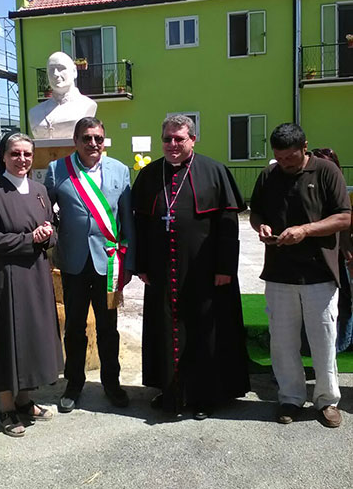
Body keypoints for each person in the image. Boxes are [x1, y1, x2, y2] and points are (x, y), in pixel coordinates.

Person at [132, 114, 249, 420]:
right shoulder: (149, 175)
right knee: (166, 329)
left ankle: (204, 396)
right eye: (167, 139)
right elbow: (141, 223)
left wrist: (226, 267)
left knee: (203, 331)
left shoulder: (213, 171)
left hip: (205, 270)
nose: (172, 145)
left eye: (179, 139)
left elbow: (227, 225)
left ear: (192, 140)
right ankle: (171, 391)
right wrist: (141, 264)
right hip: (161, 270)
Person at [250, 124, 351, 428]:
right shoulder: (269, 175)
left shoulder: (326, 172)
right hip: (280, 274)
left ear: (305, 147)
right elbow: (256, 212)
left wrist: (306, 230)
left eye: (291, 160)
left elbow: (344, 216)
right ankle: (290, 397)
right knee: (282, 341)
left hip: (319, 273)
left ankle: (327, 400)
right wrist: (262, 227)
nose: (285, 165)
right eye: (279, 159)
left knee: (323, 339)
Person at [0, 132, 63, 437]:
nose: (22, 159)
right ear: (3, 157)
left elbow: (51, 230)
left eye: (27, 154)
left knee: (31, 337)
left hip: (35, 274)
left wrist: (48, 234)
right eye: (15, 154)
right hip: (5, 278)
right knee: (6, 337)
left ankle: (25, 400)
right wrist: (29, 238)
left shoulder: (39, 190)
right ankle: (6, 407)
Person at [45, 117, 135, 412]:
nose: (93, 143)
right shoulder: (58, 170)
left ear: (104, 139)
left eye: (98, 138)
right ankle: (73, 383)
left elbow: (127, 220)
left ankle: (112, 383)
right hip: (73, 263)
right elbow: (45, 212)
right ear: (76, 141)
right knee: (74, 328)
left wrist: (129, 261)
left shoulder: (120, 171)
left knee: (108, 328)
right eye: (87, 138)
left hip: (109, 264)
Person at [311, 148, 353, 352]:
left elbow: (344, 224)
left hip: (337, 253)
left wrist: (347, 252)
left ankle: (341, 343)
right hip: (317, 253)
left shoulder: (341, 191)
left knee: (344, 299)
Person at [29, 52, 97, 139]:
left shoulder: (87, 105)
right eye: (51, 69)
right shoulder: (35, 112)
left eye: (61, 68)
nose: (55, 74)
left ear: (74, 72)